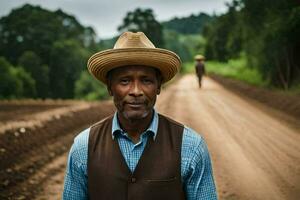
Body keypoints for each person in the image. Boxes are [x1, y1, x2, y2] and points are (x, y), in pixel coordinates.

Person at [62, 32, 217, 200]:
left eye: (146, 80)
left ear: (158, 86)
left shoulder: (191, 146)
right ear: (109, 87)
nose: (136, 91)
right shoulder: (83, 147)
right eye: (125, 81)